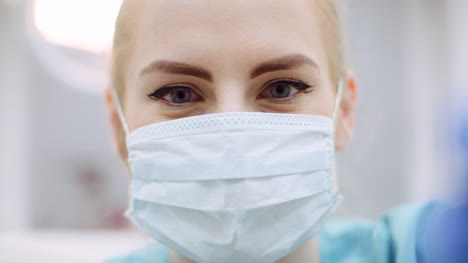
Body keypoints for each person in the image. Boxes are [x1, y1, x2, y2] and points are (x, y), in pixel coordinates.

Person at [104, 0, 464, 262]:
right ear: (118, 126)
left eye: (281, 89)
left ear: (344, 111)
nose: (234, 140)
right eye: (178, 94)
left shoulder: (415, 248)